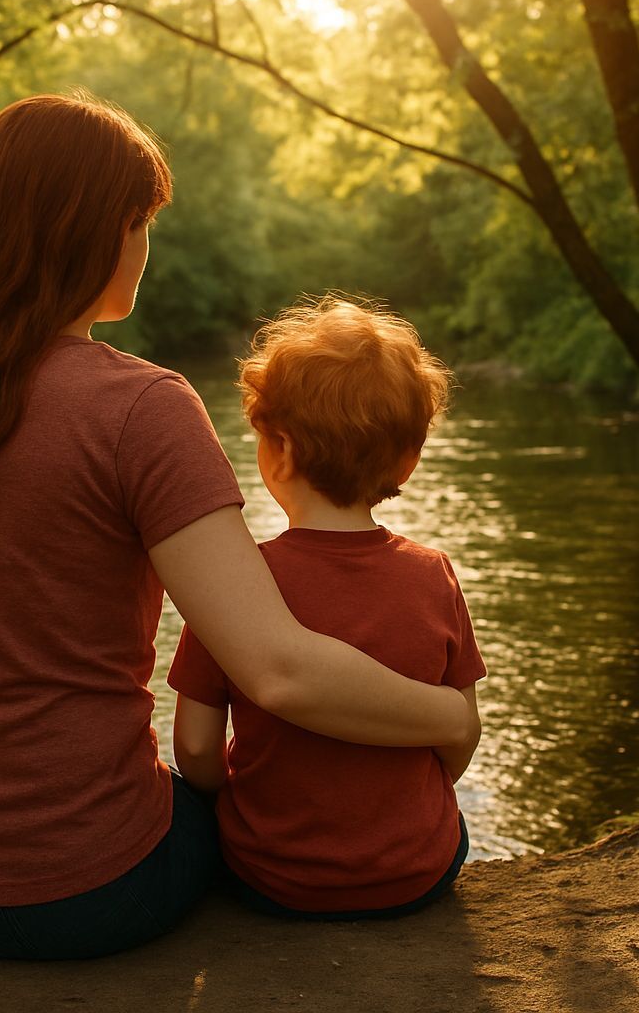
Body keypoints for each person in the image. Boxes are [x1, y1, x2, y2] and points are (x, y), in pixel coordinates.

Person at [0, 93, 476, 960]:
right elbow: (277, 670)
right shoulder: (141, 409)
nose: (145, 246)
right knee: (230, 810)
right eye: (140, 219)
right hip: (78, 887)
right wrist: (448, 719)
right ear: (94, 228)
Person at [168, 296, 486, 920]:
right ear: (409, 460)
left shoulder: (238, 581)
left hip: (271, 876)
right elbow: (459, 735)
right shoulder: (434, 576)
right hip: (414, 873)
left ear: (277, 449)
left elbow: (197, 748)